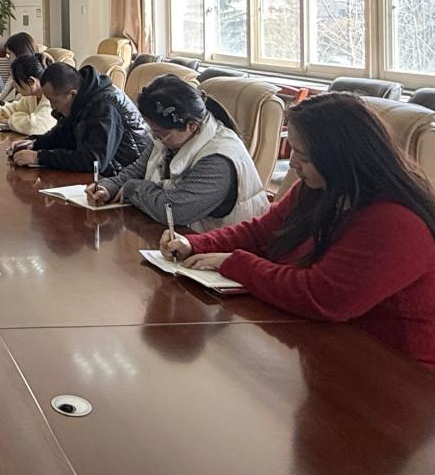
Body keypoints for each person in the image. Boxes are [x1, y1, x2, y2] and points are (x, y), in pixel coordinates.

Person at [161, 92, 435, 371]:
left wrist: (234, 262)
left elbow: (321, 296)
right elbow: (261, 233)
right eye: (292, 150)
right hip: (329, 345)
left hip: (396, 371)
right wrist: (196, 244)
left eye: (302, 155)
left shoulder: (395, 223)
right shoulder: (318, 189)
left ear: (339, 157)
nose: (292, 163)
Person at [86, 74, 267, 231]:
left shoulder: (219, 159)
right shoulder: (172, 135)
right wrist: (110, 186)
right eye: (153, 131)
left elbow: (175, 211)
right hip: (181, 239)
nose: (155, 137)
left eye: (160, 133)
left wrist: (133, 188)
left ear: (191, 126)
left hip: (225, 249)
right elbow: (140, 168)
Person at [8, 61, 149, 172]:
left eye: (54, 101)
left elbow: (94, 161)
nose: (52, 107)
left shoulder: (104, 106)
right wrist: (34, 143)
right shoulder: (82, 98)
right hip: (105, 174)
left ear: (72, 94)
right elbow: (63, 135)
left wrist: (39, 157)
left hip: (123, 176)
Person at [0, 52, 56, 136]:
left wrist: (10, 120)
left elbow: (34, 127)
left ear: (31, 81)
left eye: (16, 81)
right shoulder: (32, 96)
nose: (13, 85)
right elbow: (15, 108)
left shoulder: (52, 98)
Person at [0, 33, 45, 104]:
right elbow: (5, 96)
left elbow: (18, 105)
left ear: (19, 54)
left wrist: (0, 103)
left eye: (9, 54)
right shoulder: (15, 74)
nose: (7, 57)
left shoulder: (29, 84)